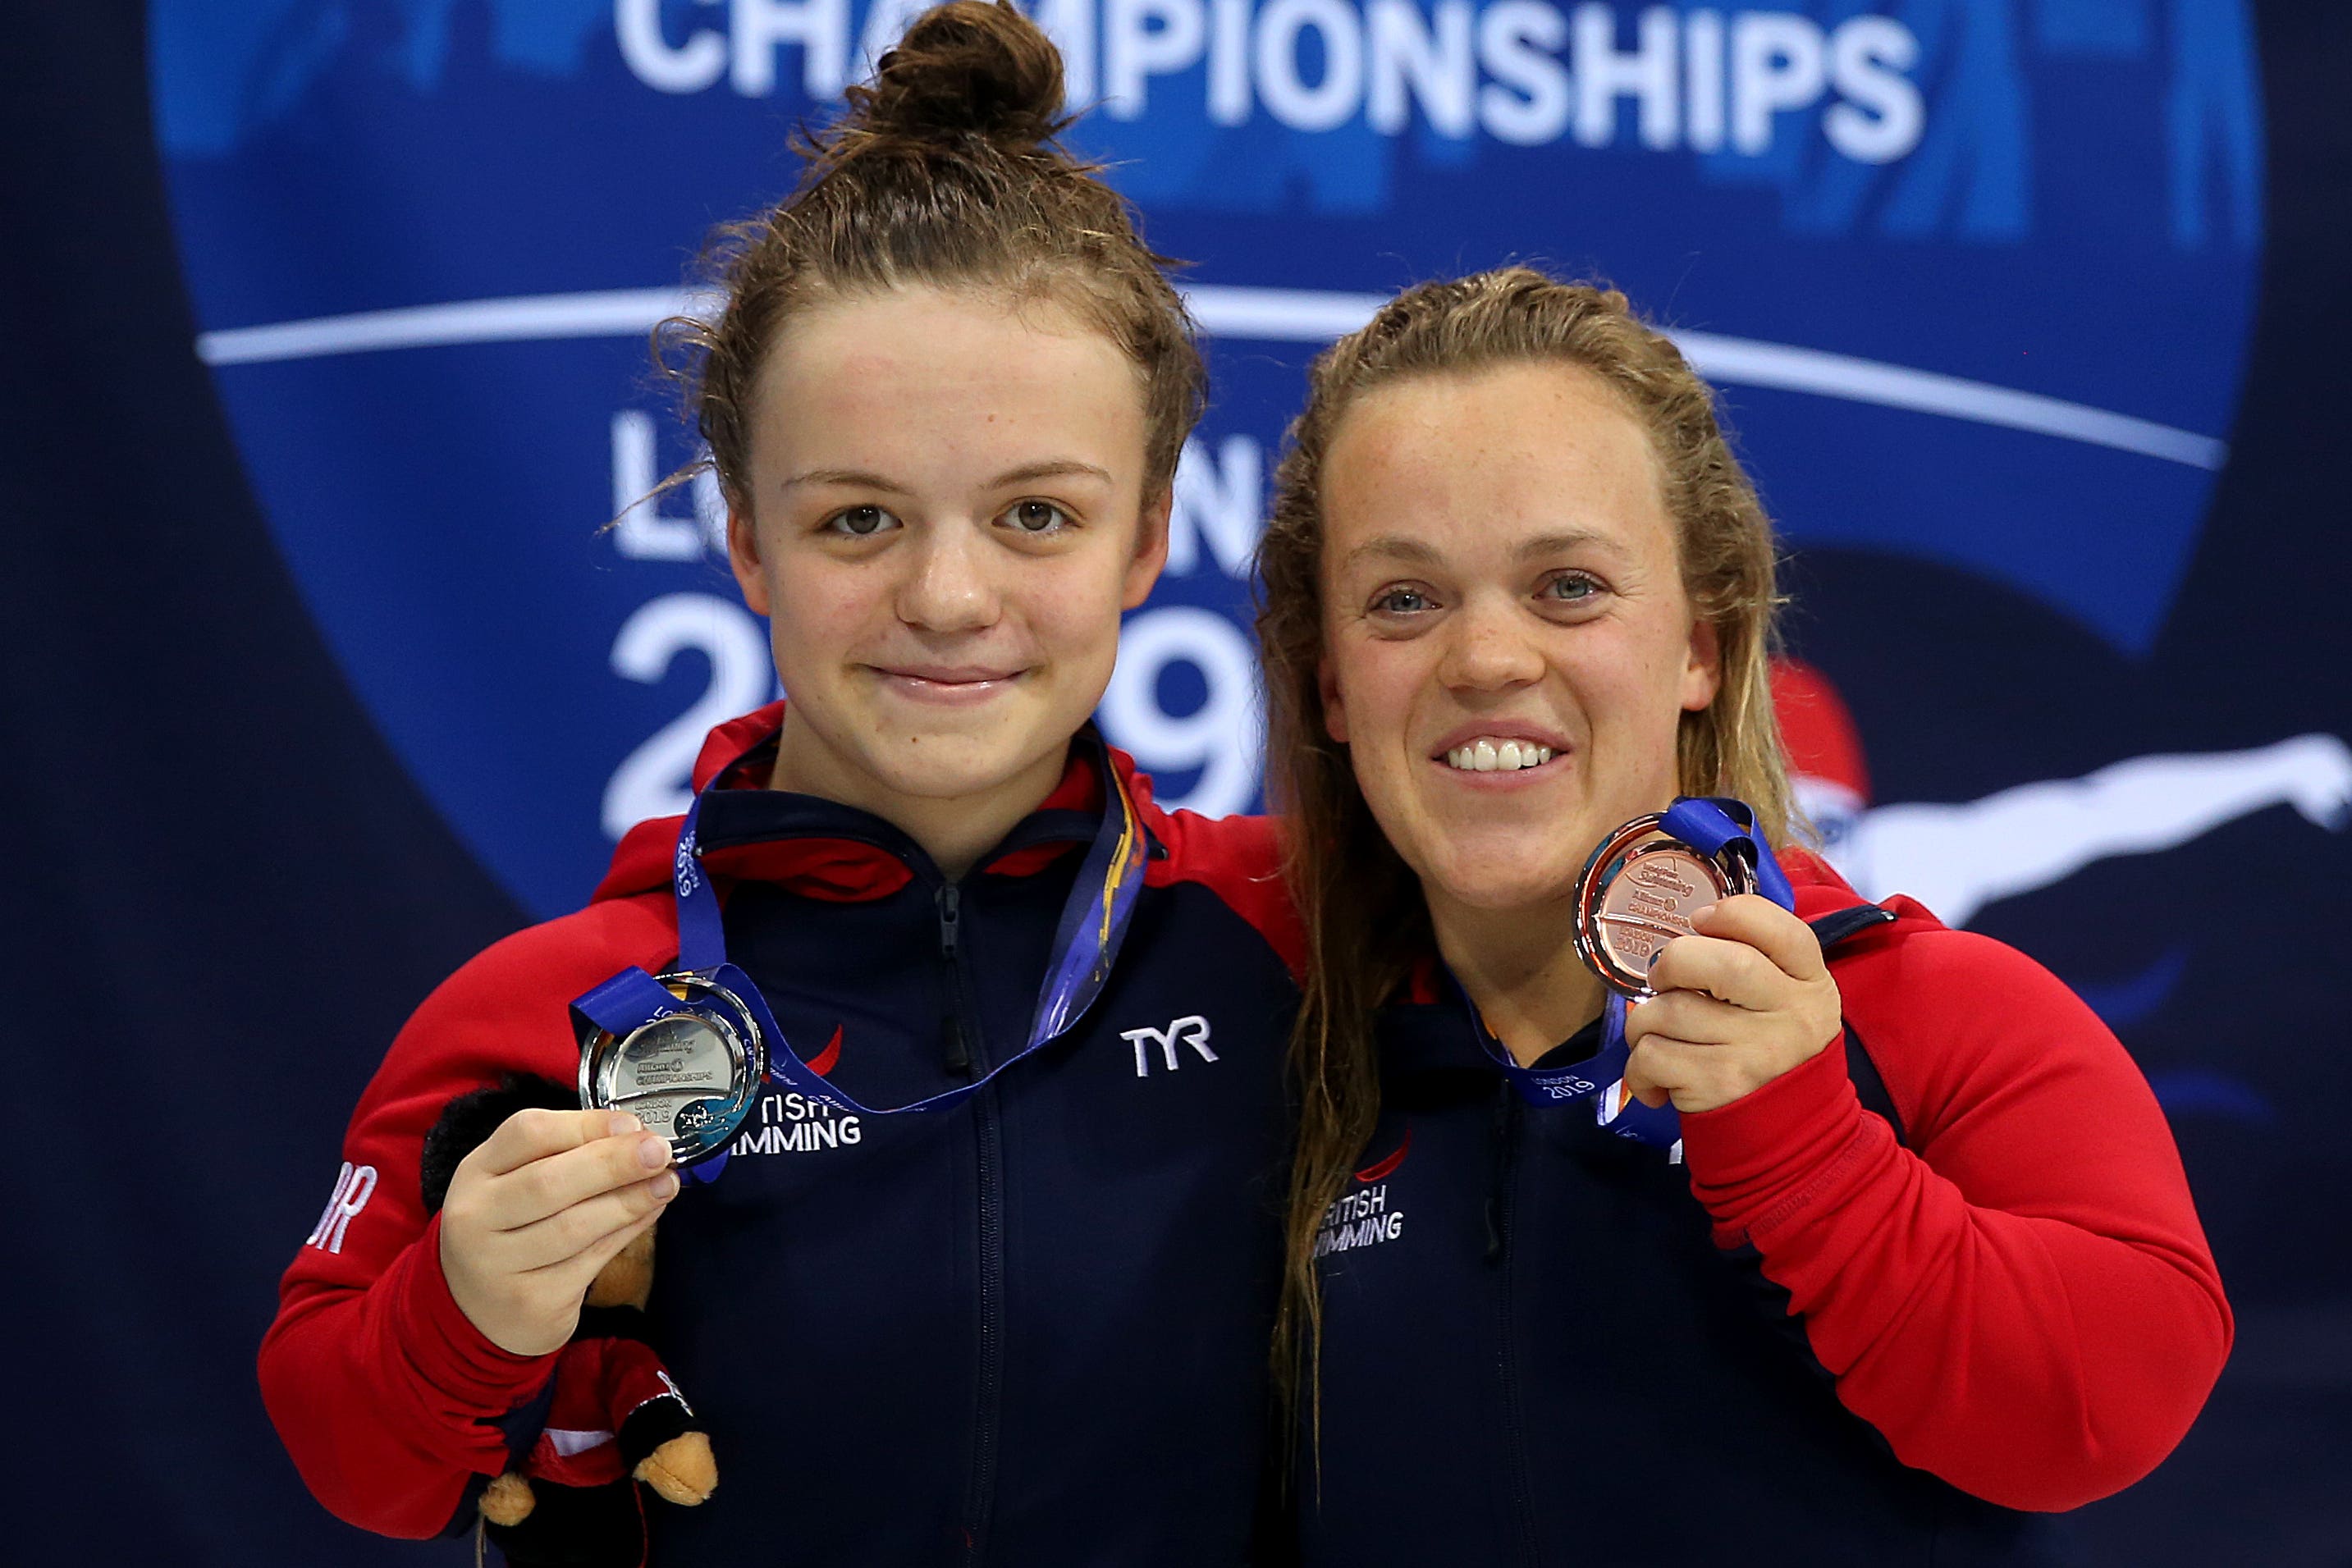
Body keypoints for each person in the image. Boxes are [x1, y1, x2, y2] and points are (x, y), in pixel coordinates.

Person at [259, 6, 1301, 1561]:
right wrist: (463, 1311)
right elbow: (352, 1458)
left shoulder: (1302, 937)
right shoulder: (549, 1013)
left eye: (1035, 516)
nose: (950, 597)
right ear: (746, 540)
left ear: (1148, 536)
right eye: (859, 522)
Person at [1252, 267, 2231, 1562]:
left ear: (1701, 648)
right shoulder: (1263, 1022)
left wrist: (1806, 1152)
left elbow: (2102, 1419)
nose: (1484, 659)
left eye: (1568, 587)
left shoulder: (1927, 1012)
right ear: (1328, 681)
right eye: (1402, 600)